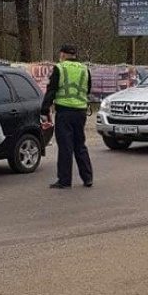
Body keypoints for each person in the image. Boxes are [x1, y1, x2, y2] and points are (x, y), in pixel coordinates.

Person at [41, 44, 93, 189]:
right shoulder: (85, 69)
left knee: (65, 147)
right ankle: (87, 178)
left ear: (63, 55)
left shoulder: (60, 68)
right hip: (81, 112)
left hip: (64, 112)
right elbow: (87, 89)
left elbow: (51, 90)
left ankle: (64, 180)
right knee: (80, 145)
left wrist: (44, 109)